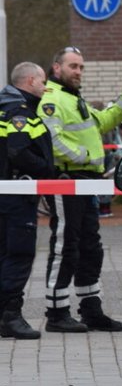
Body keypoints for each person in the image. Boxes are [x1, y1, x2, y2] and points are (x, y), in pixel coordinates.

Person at [39, 47, 122, 333]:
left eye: (81, 67)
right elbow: (54, 142)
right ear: (56, 68)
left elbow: (104, 121)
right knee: (66, 246)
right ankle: (56, 311)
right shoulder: (51, 100)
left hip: (85, 182)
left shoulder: (74, 98)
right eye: (73, 66)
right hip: (66, 180)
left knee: (90, 246)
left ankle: (91, 309)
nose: (78, 71)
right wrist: (86, 157)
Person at [0, 63, 56, 339]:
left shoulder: (5, 107)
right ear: (31, 80)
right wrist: (46, 171)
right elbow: (19, 151)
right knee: (19, 254)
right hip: (16, 196)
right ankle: (10, 316)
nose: (45, 87)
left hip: (6, 194)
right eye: (43, 81)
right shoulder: (18, 112)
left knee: (4, 254)